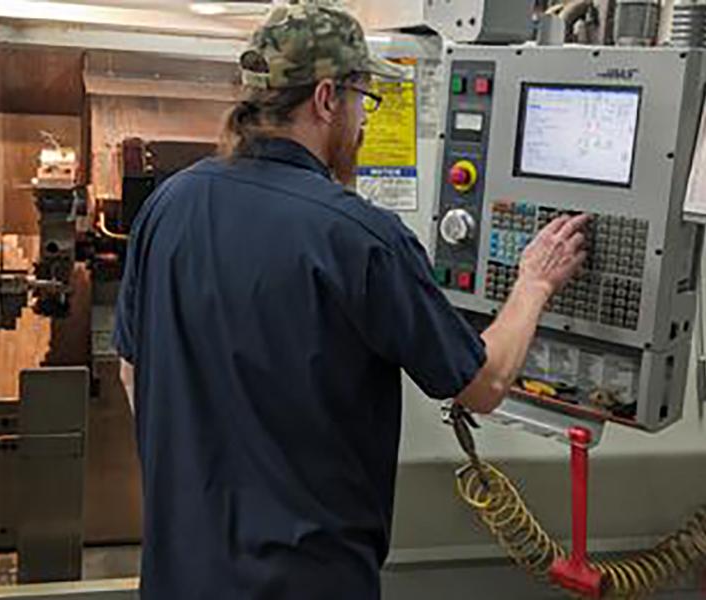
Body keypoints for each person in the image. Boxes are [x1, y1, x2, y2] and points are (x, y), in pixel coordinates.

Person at [113, 2, 589, 598]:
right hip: (307, 581)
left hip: (180, 574)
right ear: (326, 99)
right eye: (364, 98)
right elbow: (485, 383)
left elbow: (132, 371)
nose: (364, 120)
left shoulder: (169, 205)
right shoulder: (358, 236)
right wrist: (535, 283)